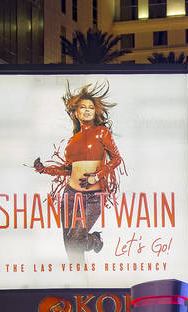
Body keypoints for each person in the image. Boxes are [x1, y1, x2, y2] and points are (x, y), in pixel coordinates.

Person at [33, 82, 124, 262]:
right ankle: (79, 283)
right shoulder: (72, 140)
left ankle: (95, 241)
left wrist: (97, 176)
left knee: (75, 242)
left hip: (92, 197)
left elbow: (116, 159)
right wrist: (44, 170)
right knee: (71, 249)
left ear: (95, 112)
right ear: (76, 112)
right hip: (70, 196)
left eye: (91, 107)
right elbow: (68, 170)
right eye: (83, 107)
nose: (87, 110)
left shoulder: (101, 132)